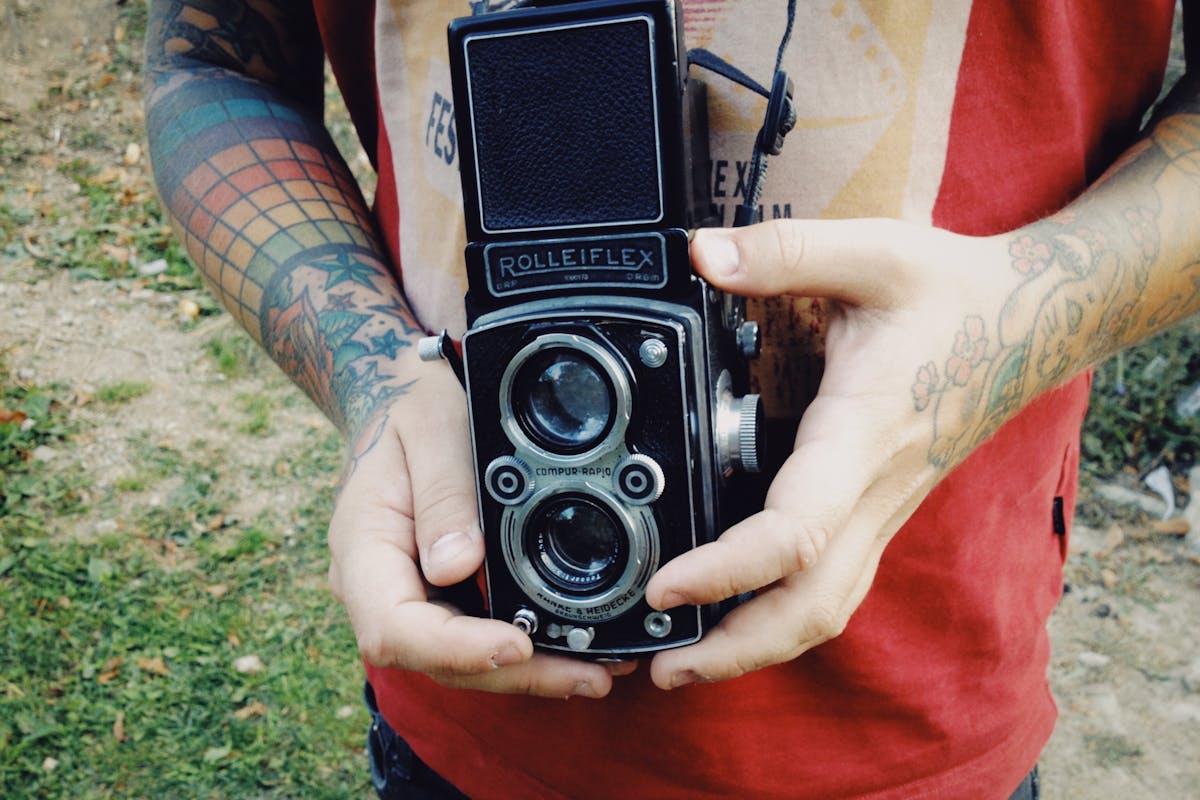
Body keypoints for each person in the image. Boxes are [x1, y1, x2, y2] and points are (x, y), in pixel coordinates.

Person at [144, 1, 1199, 797]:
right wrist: (377, 369)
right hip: (469, 682)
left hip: (913, 704)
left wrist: (1005, 325)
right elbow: (210, 57)